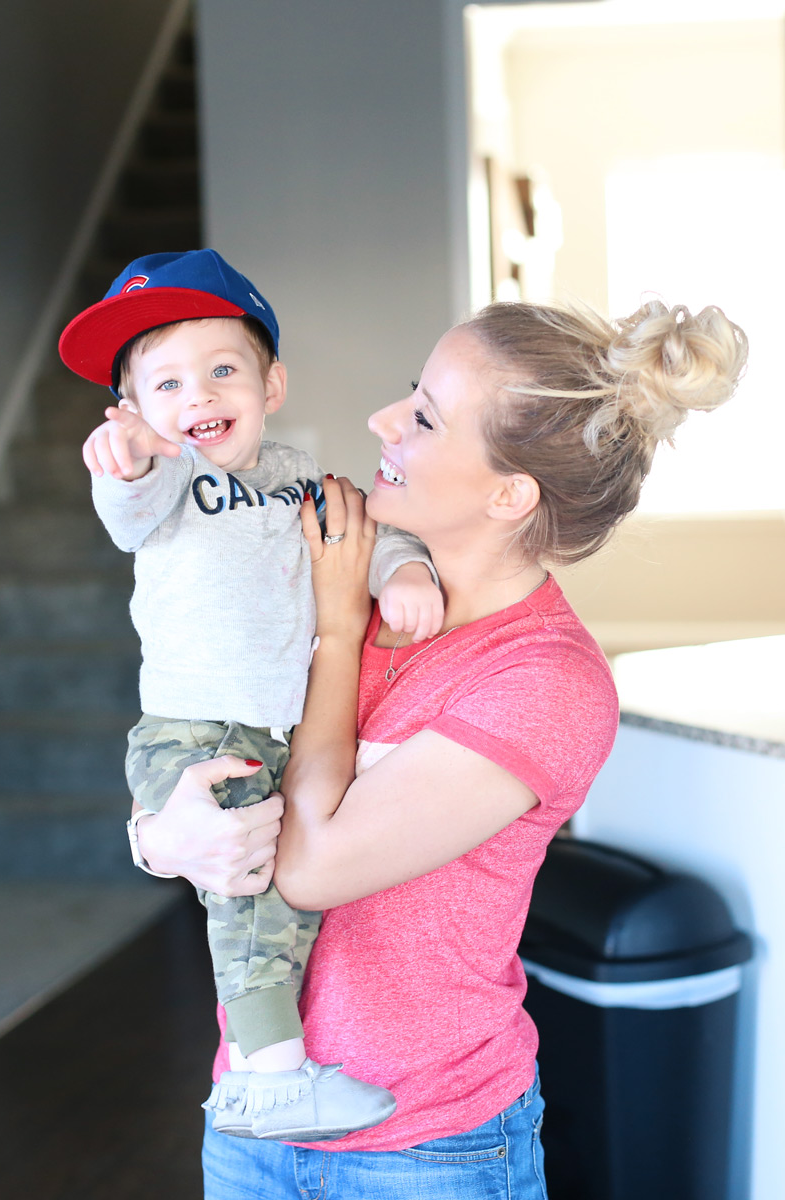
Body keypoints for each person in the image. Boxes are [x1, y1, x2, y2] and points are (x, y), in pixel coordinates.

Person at [135, 297, 748, 1199]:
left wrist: (338, 633)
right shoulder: (337, 573)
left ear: (509, 494)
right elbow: (195, 760)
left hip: (427, 1151)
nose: (382, 421)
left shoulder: (543, 681)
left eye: (424, 417)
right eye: (407, 394)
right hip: (249, 1118)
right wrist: (157, 838)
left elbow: (307, 868)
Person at [57, 248, 446, 1142]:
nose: (197, 396)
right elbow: (126, 503)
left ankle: (257, 1073)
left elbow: (367, 533)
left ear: (272, 384)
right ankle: (272, 1077)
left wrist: (406, 570)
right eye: (166, 385)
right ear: (133, 411)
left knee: (278, 896)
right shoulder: (164, 483)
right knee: (249, 898)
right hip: (193, 729)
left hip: (276, 729)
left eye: (223, 371)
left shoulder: (303, 480)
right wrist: (123, 459)